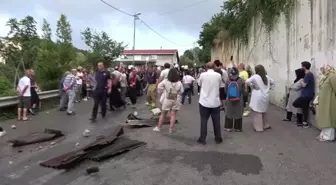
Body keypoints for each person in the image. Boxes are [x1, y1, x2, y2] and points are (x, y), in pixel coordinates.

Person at [197, 62, 223, 145]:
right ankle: (218, 138)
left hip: (204, 101)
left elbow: (199, 84)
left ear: (206, 67)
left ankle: (202, 138)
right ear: (214, 67)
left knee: (203, 120)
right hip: (215, 101)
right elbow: (219, 85)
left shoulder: (203, 75)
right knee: (216, 120)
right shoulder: (218, 75)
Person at [245, 64, 275, 132]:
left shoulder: (255, 76)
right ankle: (265, 125)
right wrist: (269, 88)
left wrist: (253, 86)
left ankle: (259, 128)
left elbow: (247, 81)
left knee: (257, 112)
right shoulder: (267, 77)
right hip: (266, 96)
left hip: (257, 96)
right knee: (263, 111)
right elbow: (273, 83)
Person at [153, 68, 183, 133]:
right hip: (176, 99)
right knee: (173, 114)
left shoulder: (165, 81)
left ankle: (159, 127)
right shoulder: (179, 82)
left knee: (163, 114)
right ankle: (171, 129)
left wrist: (161, 92)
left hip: (167, 99)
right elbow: (182, 91)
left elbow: (159, 87)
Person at [316, 65, 336, 141]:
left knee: (329, 118)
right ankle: (323, 134)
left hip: (330, 101)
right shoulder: (325, 77)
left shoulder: (333, 76)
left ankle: (329, 136)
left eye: (323, 69)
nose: (322, 71)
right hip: (324, 101)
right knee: (324, 117)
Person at [292, 61, 315, 128]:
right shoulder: (310, 74)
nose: (301, 67)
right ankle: (305, 123)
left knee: (295, 103)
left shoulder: (308, 75)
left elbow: (304, 85)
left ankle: (308, 107)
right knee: (305, 109)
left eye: (302, 66)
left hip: (306, 95)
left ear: (304, 67)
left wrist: (302, 82)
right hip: (308, 94)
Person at [224, 67, 245, 132]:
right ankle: (238, 128)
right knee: (238, 113)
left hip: (229, 99)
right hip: (239, 99)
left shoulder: (228, 80)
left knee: (229, 112)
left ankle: (228, 127)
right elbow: (243, 91)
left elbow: (225, 90)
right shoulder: (241, 80)